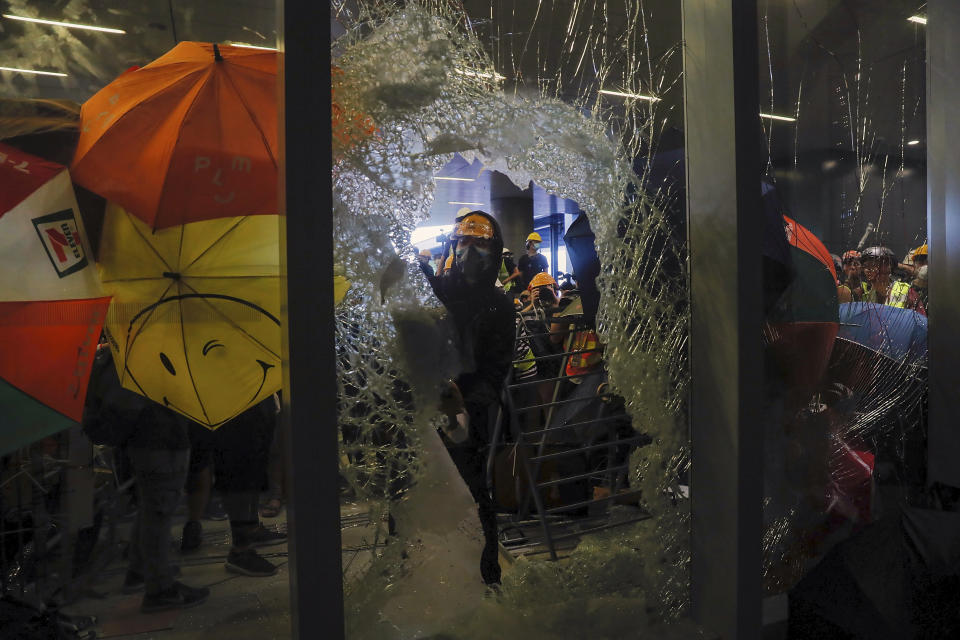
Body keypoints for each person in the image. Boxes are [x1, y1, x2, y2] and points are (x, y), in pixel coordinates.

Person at [84, 345, 210, 613]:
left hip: (150, 441)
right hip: (159, 439)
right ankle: (160, 589)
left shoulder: (125, 349)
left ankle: (141, 570)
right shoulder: (143, 350)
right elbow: (135, 403)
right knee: (160, 512)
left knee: (151, 507)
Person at [429, 210, 515, 586]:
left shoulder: (500, 306)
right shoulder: (434, 292)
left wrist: (462, 398)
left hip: (470, 419)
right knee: (417, 499)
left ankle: (486, 580)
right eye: (464, 241)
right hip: (425, 413)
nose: (471, 250)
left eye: (481, 243)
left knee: (474, 496)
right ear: (453, 245)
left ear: (494, 251)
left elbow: (494, 373)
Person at [180, 396, 287, 577]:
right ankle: (240, 548)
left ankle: (250, 529)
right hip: (232, 405)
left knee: (253, 465)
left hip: (250, 399)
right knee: (238, 469)